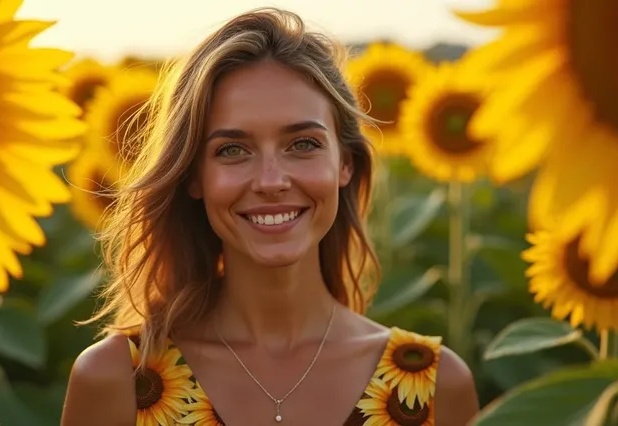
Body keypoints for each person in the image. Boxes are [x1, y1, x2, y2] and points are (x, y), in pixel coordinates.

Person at [61, 8, 479, 426]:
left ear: (345, 164)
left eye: (302, 144)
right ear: (194, 177)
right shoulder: (120, 382)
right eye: (232, 149)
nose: (271, 180)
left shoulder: (434, 387)